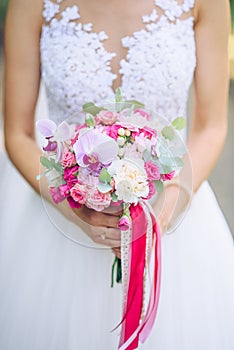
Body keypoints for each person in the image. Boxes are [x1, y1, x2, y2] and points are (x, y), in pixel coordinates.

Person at [1, 0, 234, 349]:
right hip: (63, 224)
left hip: (175, 219)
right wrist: (77, 211)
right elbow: (17, 133)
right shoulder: (31, 4)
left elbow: (211, 126)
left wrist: (165, 212)